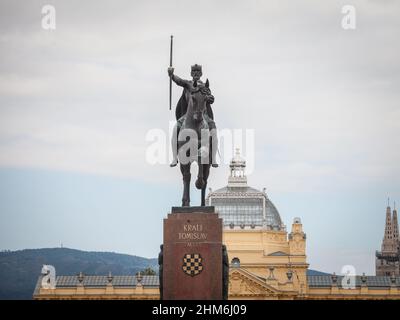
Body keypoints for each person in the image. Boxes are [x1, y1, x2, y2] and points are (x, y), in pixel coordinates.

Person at [168, 64, 218, 167]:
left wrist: (210, 98)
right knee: (175, 128)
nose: (196, 74)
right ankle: (174, 157)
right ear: (191, 73)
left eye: (198, 72)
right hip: (188, 115)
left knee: (213, 129)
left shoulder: (205, 86)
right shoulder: (187, 84)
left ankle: (213, 158)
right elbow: (178, 80)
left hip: (203, 115)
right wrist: (172, 75)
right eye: (194, 72)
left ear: (201, 74)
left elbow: (210, 97)